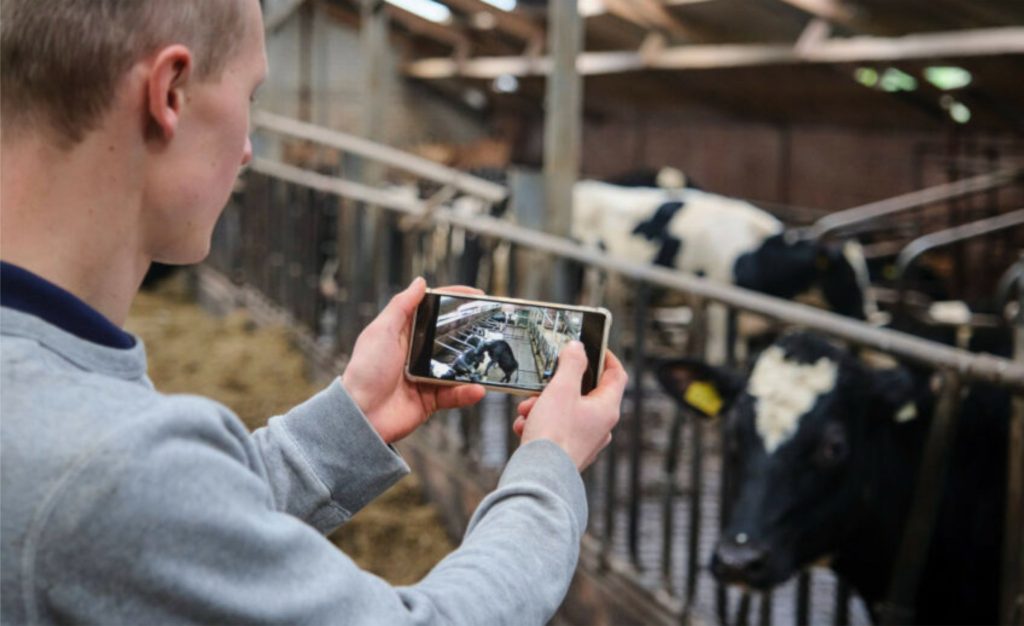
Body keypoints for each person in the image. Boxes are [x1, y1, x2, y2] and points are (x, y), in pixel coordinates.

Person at [0, 1, 628, 624]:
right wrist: (549, 466)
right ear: (170, 94)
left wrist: (354, 418)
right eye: (250, 96)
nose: (248, 149)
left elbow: (157, 525)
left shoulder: (50, 409)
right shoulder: (104, 462)